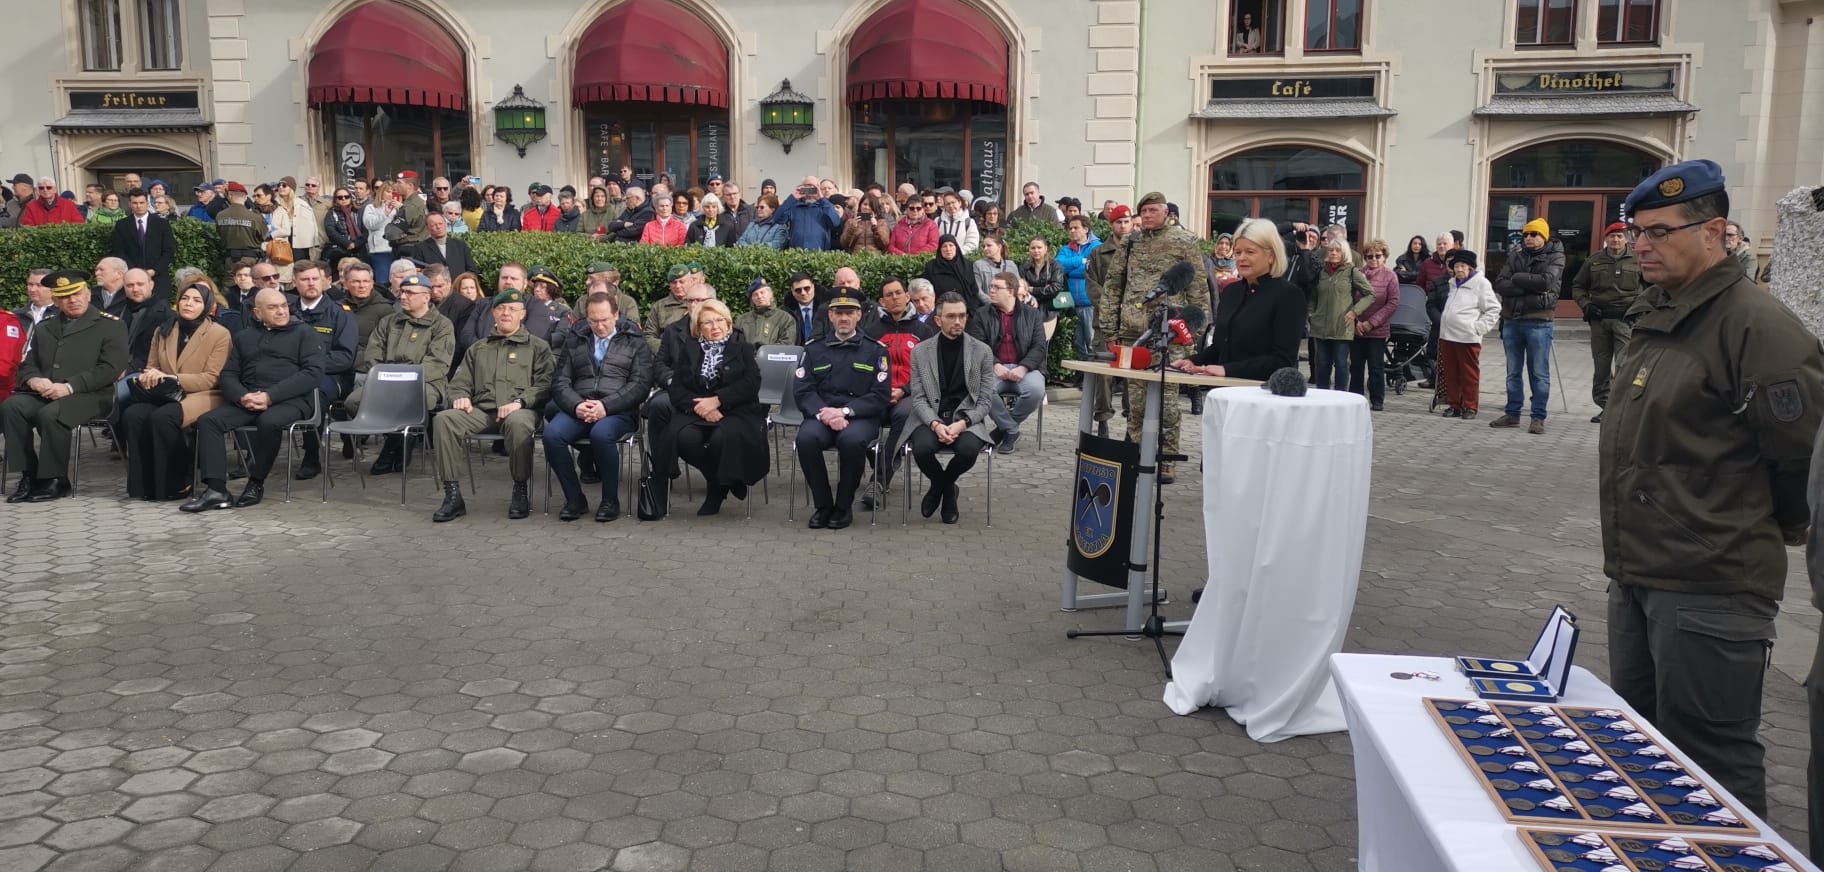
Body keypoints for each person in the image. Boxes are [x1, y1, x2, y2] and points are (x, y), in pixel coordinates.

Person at [1601, 160, 1824, 819]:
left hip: (1710, 580)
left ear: (1716, 231)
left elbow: (1803, 460)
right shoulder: (1664, 313)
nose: (1643, 244)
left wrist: (1746, 524)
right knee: (1640, 750)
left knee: (1710, 762)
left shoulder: (1757, 326)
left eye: (1660, 232)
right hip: (1641, 571)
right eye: (1636, 231)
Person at [1095, 192, 1210, 483]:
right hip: (1134, 334)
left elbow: (1198, 289)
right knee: (1135, 401)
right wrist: (1109, 328)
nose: (1146, 215)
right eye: (1143, 211)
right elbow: (1113, 285)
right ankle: (1134, 454)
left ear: (1166, 212)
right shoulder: (1131, 242)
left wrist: (1193, 333)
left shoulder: (1184, 241)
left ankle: (1168, 459)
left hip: (1171, 333)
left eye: (1153, 210)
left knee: (1169, 401)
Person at [180, 288, 324, 512]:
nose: (281, 311)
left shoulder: (305, 334)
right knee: (209, 421)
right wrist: (241, 396)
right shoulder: (245, 337)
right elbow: (228, 374)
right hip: (249, 398)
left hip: (291, 400)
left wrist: (270, 396)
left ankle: (255, 483)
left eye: (284, 306)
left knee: (269, 421)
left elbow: (313, 373)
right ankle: (216, 490)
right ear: (257, 312)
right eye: (273, 307)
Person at [2, 272, 128, 503]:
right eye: (65, 296)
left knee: (51, 414)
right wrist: (34, 380)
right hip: (47, 391)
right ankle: (29, 475)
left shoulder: (111, 325)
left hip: (92, 395)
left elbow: (110, 368)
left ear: (89, 294)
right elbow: (28, 364)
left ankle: (55, 479)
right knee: (12, 407)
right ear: (56, 301)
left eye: (77, 294)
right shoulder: (45, 327)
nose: (72, 300)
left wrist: (70, 387)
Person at [430, 288, 555, 522]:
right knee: (444, 419)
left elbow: (545, 384)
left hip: (521, 412)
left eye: (512, 309)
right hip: (482, 412)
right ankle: (452, 494)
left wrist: (519, 402)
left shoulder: (537, 347)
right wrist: (461, 396)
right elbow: (459, 382)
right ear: (494, 313)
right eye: (501, 308)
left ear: (523, 314)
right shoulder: (479, 348)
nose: (506, 313)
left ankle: (520, 490)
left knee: (518, 424)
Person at [650, 299, 768, 517]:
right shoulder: (689, 349)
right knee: (682, 438)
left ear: (728, 323)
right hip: (697, 410)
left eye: (719, 320)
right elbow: (677, 388)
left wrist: (718, 400)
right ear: (698, 327)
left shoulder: (743, 348)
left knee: (720, 439)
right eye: (707, 323)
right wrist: (702, 407)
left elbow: (751, 384)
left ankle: (716, 492)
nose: (714, 327)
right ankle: (721, 479)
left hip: (735, 411)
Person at [546, 292, 652, 522]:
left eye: (604, 319)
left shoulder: (634, 340)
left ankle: (610, 500)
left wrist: (606, 405)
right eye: (593, 320)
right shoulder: (575, 338)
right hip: (580, 406)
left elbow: (640, 384)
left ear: (616, 315)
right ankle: (575, 499)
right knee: (552, 435)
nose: (599, 325)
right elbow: (560, 381)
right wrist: (576, 406)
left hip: (618, 410)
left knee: (601, 434)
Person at [119, 284, 231, 501]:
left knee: (163, 417)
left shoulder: (219, 334)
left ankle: (179, 480)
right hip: (166, 392)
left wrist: (175, 378)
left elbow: (212, 378)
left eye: (196, 300)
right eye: (185, 298)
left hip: (205, 394)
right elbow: (152, 366)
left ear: (207, 305)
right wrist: (150, 376)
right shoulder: (164, 330)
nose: (189, 304)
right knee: (133, 415)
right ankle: (143, 485)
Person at [793, 289, 891, 529]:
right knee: (805, 439)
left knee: (851, 442)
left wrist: (845, 412)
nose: (844, 318)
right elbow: (803, 390)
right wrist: (824, 413)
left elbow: (880, 395)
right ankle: (823, 505)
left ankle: (843, 506)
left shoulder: (876, 350)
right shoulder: (813, 349)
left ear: (859, 315)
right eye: (839, 313)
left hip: (859, 416)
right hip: (822, 414)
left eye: (849, 313)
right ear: (830, 316)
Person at [902, 292, 996, 524]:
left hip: (966, 418)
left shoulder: (982, 351)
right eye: (951, 316)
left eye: (962, 316)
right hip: (929, 417)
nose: (958, 322)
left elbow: (984, 401)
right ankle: (948, 490)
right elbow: (918, 398)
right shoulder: (920, 351)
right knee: (922, 449)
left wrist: (963, 423)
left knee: (968, 450)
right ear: (938, 320)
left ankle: (938, 489)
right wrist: (934, 424)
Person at [347, 274, 455, 475]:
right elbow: (373, 353)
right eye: (402, 292)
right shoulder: (390, 321)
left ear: (426, 297)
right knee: (354, 402)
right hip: (386, 381)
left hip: (425, 383)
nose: (403, 297)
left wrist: (407, 381)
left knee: (415, 402)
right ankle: (401, 439)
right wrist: (381, 377)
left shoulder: (442, 325)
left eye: (410, 293)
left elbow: (438, 363)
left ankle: (391, 448)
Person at [1175, 218, 1304, 382]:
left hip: (1263, 395)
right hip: (1224, 393)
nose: (1241, 258)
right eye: (1238, 252)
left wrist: (1227, 370)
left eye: (1250, 252)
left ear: (1271, 255)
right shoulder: (1231, 292)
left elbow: (1282, 361)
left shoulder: (1289, 296)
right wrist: (1193, 361)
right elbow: (1219, 348)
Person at [1490, 218, 1563, 433]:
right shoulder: (1516, 255)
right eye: (1526, 235)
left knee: (1539, 373)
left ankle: (1537, 417)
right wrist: (1528, 285)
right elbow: (1501, 284)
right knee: (1513, 371)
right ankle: (1512, 413)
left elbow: (1546, 282)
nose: (1529, 238)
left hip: (1539, 322)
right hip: (1512, 320)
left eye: (1534, 234)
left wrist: (1518, 278)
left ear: (1544, 237)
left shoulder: (1556, 256)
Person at [288, 260, 359, 480]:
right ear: (294, 283)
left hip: (332, 376)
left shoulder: (341, 314)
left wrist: (309, 368)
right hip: (290, 376)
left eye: (315, 279)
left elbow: (345, 357)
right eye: (304, 279)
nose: (311, 283)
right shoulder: (286, 312)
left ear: (325, 282)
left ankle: (311, 457)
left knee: (313, 393)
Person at [1571, 222, 1644, 424]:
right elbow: (1578, 286)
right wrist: (1586, 305)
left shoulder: (1639, 260)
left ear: (1626, 238)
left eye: (1620, 236)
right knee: (1602, 368)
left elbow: (1652, 288)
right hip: (1600, 320)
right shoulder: (1594, 261)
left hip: (1626, 321)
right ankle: (1607, 407)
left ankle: (1622, 409)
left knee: (1624, 366)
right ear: (1606, 239)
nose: (1616, 240)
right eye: (1612, 236)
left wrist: (1640, 310)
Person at [967, 272, 1047, 453]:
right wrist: (994, 365)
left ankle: (1003, 429)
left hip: (1026, 368)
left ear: (1011, 291)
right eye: (991, 287)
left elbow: (1039, 347)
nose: (991, 291)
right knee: (982, 390)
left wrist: (1024, 367)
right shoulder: (982, 314)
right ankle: (1010, 430)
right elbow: (977, 345)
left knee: (1035, 391)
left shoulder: (1032, 314)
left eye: (997, 287)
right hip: (993, 368)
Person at [1432, 249, 1501, 420]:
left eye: (1463, 266)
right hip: (1448, 336)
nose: (1459, 269)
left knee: (1468, 373)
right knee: (1451, 373)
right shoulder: (1453, 283)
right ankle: (1454, 404)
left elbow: (1494, 308)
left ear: (1470, 268)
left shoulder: (1481, 284)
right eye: (1456, 266)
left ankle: (1470, 406)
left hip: (1468, 337)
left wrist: (1479, 327)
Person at [1308, 239, 1374, 391]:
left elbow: (1370, 294)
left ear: (1344, 253)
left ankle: (1340, 397)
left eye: (1337, 250)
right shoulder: (1321, 272)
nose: (1333, 253)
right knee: (1322, 365)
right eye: (1331, 250)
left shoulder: (1352, 271)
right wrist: (1311, 313)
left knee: (1341, 364)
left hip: (1341, 327)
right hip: (1321, 327)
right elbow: (1313, 296)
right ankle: (1322, 396)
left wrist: (1354, 312)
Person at [1350, 240, 1401, 410]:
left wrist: (1371, 323)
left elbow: (1393, 303)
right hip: (1357, 329)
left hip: (1377, 330)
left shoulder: (1390, 276)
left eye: (1377, 256)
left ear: (1384, 256)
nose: (1373, 259)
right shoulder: (1357, 273)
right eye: (1369, 256)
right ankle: (1356, 400)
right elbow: (1349, 299)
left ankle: (1377, 400)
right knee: (1356, 367)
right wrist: (1357, 322)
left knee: (1376, 368)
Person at [111, 188, 177, 297]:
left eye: (141, 202)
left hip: (158, 279)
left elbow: (169, 251)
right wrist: (134, 271)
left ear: (147, 203)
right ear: (130, 204)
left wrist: (154, 271)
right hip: (132, 280)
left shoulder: (162, 224)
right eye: (135, 203)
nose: (138, 206)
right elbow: (118, 251)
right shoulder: (122, 225)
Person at [1057, 217, 1103, 360]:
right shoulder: (1066, 248)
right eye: (1070, 228)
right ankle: (1084, 376)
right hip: (1072, 303)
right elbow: (1058, 266)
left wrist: (1071, 270)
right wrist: (1079, 261)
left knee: (1092, 342)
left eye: (1076, 228)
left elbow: (1091, 270)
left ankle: (1095, 377)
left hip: (1090, 304)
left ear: (1086, 229)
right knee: (1078, 343)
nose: (1072, 231)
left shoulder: (1097, 247)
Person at [778, 175, 843, 251]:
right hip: (796, 254)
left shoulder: (826, 205)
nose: (810, 189)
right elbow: (778, 219)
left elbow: (835, 222)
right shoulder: (794, 206)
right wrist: (792, 198)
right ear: (802, 187)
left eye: (814, 186)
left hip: (819, 255)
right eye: (807, 186)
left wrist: (821, 199)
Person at [215, 183, 268, 268]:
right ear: (245, 197)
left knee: (230, 280)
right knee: (249, 280)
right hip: (250, 259)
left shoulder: (220, 216)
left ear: (229, 196)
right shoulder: (255, 217)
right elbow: (263, 236)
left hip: (230, 260)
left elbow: (219, 234)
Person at [410, 213, 479, 278]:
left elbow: (472, 270)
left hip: (458, 287)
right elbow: (419, 272)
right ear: (428, 229)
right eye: (433, 225)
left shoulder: (460, 245)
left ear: (446, 225)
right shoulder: (420, 248)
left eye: (440, 223)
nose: (438, 227)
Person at [733, 279, 796, 348]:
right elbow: (735, 344)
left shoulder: (785, 318)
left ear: (770, 294)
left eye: (762, 292)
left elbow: (788, 344)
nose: (759, 297)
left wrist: (764, 352)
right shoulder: (742, 320)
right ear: (752, 299)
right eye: (755, 294)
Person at [320, 187, 366, 268]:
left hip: (359, 249)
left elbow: (366, 229)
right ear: (336, 200)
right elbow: (331, 231)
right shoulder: (331, 213)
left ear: (350, 198)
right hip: (339, 250)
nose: (343, 199)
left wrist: (356, 244)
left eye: (346, 196)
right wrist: (347, 243)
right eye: (340, 197)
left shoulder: (358, 211)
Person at [921, 235, 975, 302]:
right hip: (941, 306)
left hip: (966, 306)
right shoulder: (931, 267)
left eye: (951, 245)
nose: (948, 249)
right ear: (940, 249)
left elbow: (974, 289)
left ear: (956, 247)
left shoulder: (967, 265)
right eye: (944, 246)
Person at [972, 235, 1016, 308]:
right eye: (984, 246)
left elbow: (1018, 286)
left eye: (989, 245)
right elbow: (978, 290)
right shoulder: (979, 265)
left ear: (999, 246)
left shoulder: (1011, 265)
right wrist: (993, 303)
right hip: (988, 308)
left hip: (1010, 307)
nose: (985, 249)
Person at [18, 177, 83, 225]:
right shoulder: (31, 207)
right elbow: (28, 228)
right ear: (38, 191)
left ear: (55, 189)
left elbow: (78, 224)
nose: (45, 190)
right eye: (41, 188)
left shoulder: (69, 205)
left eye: (49, 187)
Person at [786, 273, 825, 346]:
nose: (803, 293)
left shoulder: (826, 309)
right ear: (792, 291)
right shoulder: (787, 314)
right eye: (798, 290)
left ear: (813, 287)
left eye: (807, 288)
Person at [393, 171, 429, 247]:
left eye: (399, 183)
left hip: (410, 246)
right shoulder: (415, 201)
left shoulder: (411, 205)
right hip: (415, 245)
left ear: (410, 185)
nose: (396, 185)